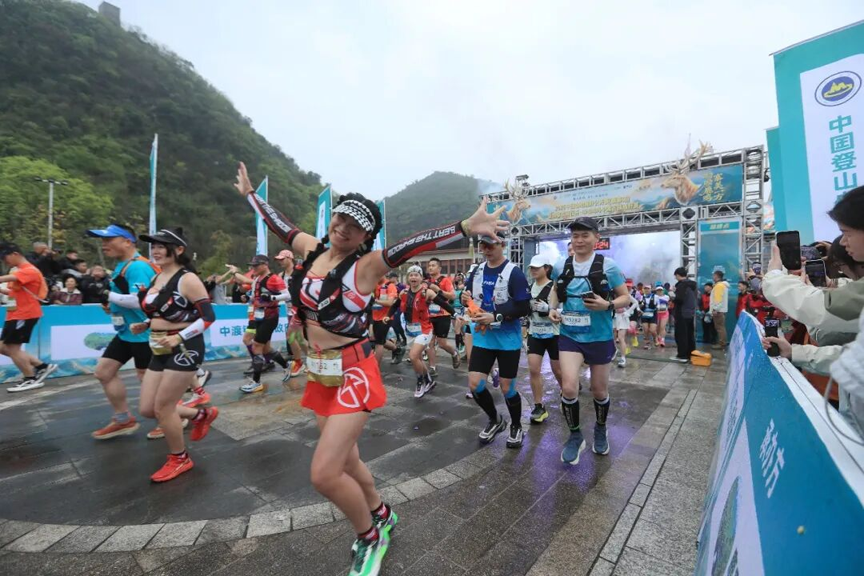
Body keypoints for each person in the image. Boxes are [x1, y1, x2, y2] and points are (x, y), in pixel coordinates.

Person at [236, 161, 508, 575]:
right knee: (347, 461)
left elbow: (411, 246)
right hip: (321, 371)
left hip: (354, 373)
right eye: (341, 218)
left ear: (366, 236)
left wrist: (465, 227)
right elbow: (282, 226)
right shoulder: (312, 249)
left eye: (355, 226)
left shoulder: (366, 266)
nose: (344, 228)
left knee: (324, 474)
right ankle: (381, 512)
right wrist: (252, 196)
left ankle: (370, 537)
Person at [107, 228, 219, 481]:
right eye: (153, 246)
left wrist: (180, 337)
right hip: (158, 345)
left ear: (178, 250)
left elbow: (208, 317)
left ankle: (180, 458)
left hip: (185, 347)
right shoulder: (157, 277)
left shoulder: (188, 279)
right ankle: (201, 414)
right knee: (148, 409)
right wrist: (147, 324)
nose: (155, 251)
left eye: (161, 246)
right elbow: (163, 310)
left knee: (163, 408)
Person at [548, 216, 629, 465]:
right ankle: (575, 436)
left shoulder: (608, 266)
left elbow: (625, 297)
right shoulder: (561, 265)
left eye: (585, 235)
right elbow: (555, 290)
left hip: (599, 337)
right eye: (575, 236)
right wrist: (552, 308)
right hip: (570, 335)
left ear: (596, 238)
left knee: (599, 390)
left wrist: (608, 305)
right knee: (569, 387)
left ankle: (600, 428)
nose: (579, 240)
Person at [84, 224, 158, 438]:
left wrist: (107, 295)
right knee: (104, 372)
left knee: (148, 379)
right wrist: (111, 306)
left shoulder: (138, 267)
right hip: (127, 333)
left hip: (144, 333)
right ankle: (123, 419)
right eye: (102, 241)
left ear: (127, 242)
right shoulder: (122, 265)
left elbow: (140, 301)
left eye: (109, 240)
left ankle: (173, 416)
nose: (104, 245)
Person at [461, 233, 531, 447]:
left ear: (502, 244)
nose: (487, 249)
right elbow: (468, 298)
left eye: (491, 245)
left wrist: (496, 316)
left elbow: (524, 307)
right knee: (476, 385)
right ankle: (495, 420)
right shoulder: (477, 271)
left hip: (507, 339)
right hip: (483, 337)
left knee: (507, 388)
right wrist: (464, 300)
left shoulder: (514, 273)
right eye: (483, 245)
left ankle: (516, 425)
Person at [0, 243, 57, 392]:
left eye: (5, 258)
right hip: (15, 313)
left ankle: (30, 378)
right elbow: (15, 293)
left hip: (24, 314)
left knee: (13, 348)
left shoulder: (29, 270)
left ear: (15, 254)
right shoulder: (21, 271)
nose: (4, 261)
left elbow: (7, 278)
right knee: (3, 347)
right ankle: (41, 366)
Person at [231, 255, 291, 393]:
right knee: (266, 349)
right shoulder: (257, 279)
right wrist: (248, 298)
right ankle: (286, 365)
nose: (253, 268)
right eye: (252, 266)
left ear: (265, 265)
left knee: (257, 346)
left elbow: (287, 295)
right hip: (258, 316)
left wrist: (272, 297)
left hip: (270, 317)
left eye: (256, 265)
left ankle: (256, 382)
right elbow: (256, 296)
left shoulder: (274, 279)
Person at [526, 253, 562, 423]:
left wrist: (548, 309)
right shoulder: (528, 288)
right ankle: (539, 406)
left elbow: (565, 311)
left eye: (537, 267)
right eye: (531, 268)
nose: (533, 270)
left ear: (546, 268)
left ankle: (567, 394)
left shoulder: (555, 287)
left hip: (554, 334)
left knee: (558, 370)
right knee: (534, 369)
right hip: (535, 334)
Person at [393, 265, 436, 397]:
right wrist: (388, 315)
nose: (413, 277)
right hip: (410, 330)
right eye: (411, 275)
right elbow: (395, 305)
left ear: (421, 278)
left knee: (412, 356)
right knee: (418, 358)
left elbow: (443, 302)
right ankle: (429, 380)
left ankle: (420, 381)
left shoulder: (426, 292)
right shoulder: (404, 293)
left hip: (424, 329)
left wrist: (455, 315)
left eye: (416, 275)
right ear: (408, 278)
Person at [274, 249, 307, 379]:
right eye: (278, 260)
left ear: (290, 258)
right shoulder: (280, 275)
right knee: (299, 338)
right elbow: (278, 292)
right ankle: (313, 361)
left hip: (300, 309)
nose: (280, 262)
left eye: (282, 259)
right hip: (289, 310)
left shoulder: (300, 272)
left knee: (291, 336)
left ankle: (299, 362)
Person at [424, 258, 460, 375]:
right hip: (429, 315)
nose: (430, 267)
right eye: (429, 265)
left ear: (439, 268)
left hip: (443, 315)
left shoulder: (445, 280)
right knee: (430, 342)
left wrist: (439, 290)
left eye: (433, 265)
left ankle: (454, 353)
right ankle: (432, 367)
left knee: (442, 343)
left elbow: (453, 296)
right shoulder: (426, 282)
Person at [372, 274, 403, 366]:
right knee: (378, 339)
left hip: (385, 318)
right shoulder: (374, 285)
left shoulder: (390, 286)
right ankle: (397, 349)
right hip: (373, 317)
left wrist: (375, 301)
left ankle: (375, 367)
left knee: (379, 342)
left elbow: (390, 303)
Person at [672, 267, 697, 363]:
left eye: (675, 276)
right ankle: (691, 353)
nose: (675, 278)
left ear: (678, 275)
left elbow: (679, 299)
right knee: (689, 334)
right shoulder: (693, 285)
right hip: (690, 313)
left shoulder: (682, 285)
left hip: (681, 313)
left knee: (681, 335)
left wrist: (672, 296)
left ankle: (682, 355)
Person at [614, 287, 639, 368]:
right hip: (612, 317)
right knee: (612, 337)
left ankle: (623, 358)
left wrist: (628, 311)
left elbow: (635, 302)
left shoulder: (624, 294)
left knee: (621, 337)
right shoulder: (610, 293)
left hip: (622, 317)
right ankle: (614, 350)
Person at [711, 270, 730, 349]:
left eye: (713, 275)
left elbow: (718, 299)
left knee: (720, 328)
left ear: (717, 276)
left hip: (718, 310)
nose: (712, 277)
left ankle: (722, 344)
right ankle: (723, 343)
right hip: (720, 310)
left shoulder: (719, 286)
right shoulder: (722, 285)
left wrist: (716, 309)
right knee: (721, 327)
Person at [640, 285, 659, 350]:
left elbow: (658, 305)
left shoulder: (655, 296)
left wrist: (657, 308)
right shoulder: (642, 297)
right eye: (645, 288)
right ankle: (647, 343)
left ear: (650, 289)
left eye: (648, 288)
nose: (646, 290)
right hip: (644, 314)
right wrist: (639, 309)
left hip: (653, 314)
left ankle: (655, 338)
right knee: (645, 330)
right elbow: (638, 305)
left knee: (652, 330)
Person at [654, 282, 671, 347]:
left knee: (662, 327)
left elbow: (669, 304)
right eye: (658, 290)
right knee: (657, 327)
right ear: (656, 291)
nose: (659, 291)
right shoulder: (655, 297)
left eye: (661, 290)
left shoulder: (667, 297)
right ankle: (658, 337)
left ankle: (662, 340)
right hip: (657, 314)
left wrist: (667, 307)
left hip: (664, 313)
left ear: (663, 290)